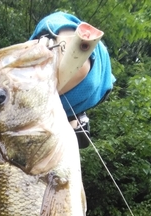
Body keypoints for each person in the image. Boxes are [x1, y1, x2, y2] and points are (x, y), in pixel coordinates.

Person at [30, 11, 116, 148]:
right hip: (94, 91)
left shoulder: (49, 25)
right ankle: (74, 122)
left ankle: (74, 122)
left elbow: (59, 25)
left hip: (94, 79)